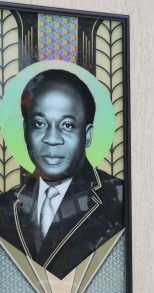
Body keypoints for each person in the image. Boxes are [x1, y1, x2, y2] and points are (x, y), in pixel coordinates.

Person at [0, 69, 123, 279]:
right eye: (40, 124)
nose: (52, 138)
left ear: (87, 135)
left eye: (67, 125)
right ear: (25, 130)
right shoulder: (5, 203)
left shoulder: (119, 198)